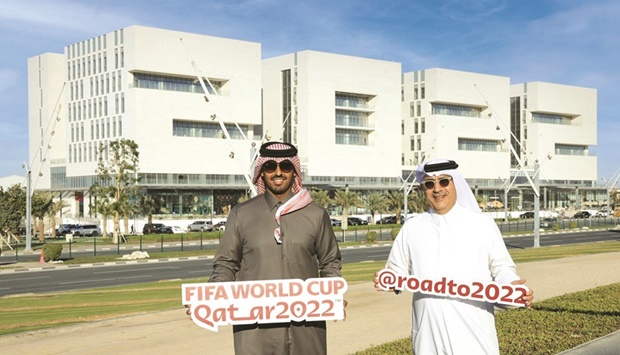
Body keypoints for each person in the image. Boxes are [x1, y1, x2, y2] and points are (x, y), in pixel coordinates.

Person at [374, 159, 534, 355]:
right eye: (429, 184)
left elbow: (502, 268)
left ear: (455, 183)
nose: (437, 189)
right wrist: (388, 280)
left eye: (444, 181)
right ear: (423, 189)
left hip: (474, 332)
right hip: (428, 337)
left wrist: (511, 287)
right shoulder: (412, 228)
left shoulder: (482, 224)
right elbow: (396, 271)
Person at [207, 141, 342, 354]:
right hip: (255, 332)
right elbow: (226, 263)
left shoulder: (316, 215)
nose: (278, 172)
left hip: (306, 330)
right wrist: (208, 297)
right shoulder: (241, 215)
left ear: (294, 171)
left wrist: (332, 293)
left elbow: (330, 261)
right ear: (261, 172)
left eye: (285, 167)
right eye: (270, 167)